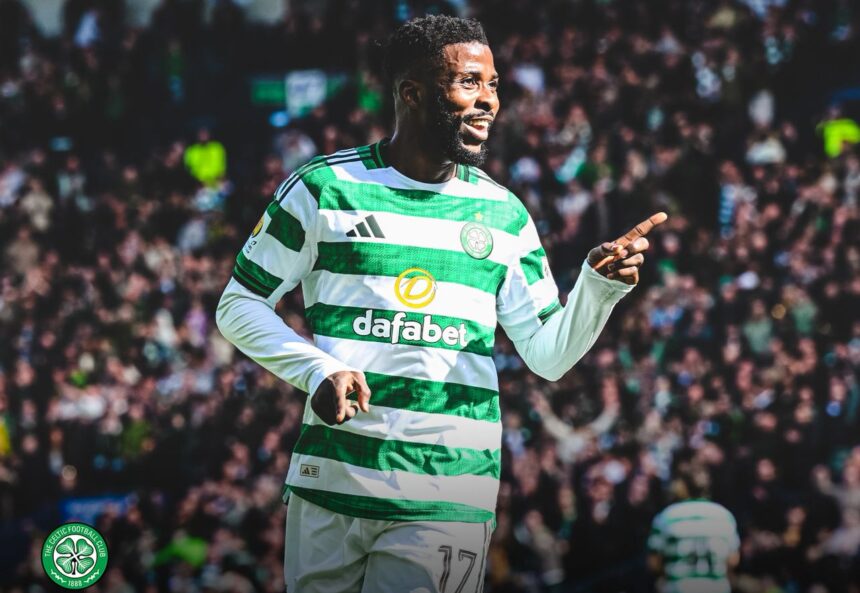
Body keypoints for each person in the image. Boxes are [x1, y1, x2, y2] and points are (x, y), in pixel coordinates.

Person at [216, 15, 662, 593]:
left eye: (494, 84)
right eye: (470, 83)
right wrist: (317, 369)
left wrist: (598, 290)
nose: (489, 102)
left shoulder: (504, 215)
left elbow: (548, 355)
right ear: (412, 93)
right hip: (330, 481)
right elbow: (239, 302)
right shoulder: (324, 189)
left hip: (444, 489)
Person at [648, 473, 741, 593]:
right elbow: (733, 560)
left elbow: (654, 563)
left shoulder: (666, 517)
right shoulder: (725, 516)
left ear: (683, 487)